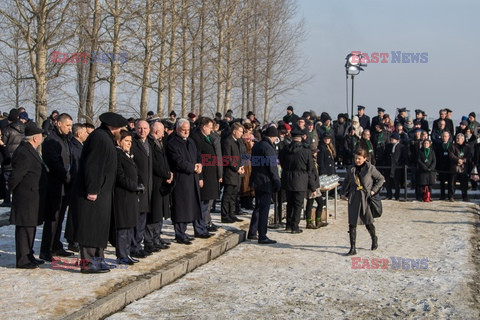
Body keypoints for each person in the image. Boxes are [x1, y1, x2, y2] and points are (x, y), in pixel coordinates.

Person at [71, 112, 128, 274]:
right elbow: (93, 166)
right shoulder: (99, 138)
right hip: (94, 192)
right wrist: (92, 189)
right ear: (113, 127)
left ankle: (98, 260)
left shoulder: (104, 138)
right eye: (120, 127)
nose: (121, 130)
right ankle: (88, 264)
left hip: (102, 192)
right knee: (90, 228)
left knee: (98, 229)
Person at [9, 124, 48, 268]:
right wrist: (13, 190)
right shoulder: (24, 152)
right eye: (41, 136)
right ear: (36, 138)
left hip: (32, 196)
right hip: (26, 196)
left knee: (30, 228)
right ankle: (23, 259)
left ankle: (29, 255)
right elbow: (16, 175)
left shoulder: (30, 149)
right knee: (25, 229)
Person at [40, 113, 74, 262]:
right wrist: (66, 176)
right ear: (59, 124)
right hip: (55, 185)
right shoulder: (51, 140)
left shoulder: (66, 140)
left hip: (65, 186)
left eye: (71, 126)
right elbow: (54, 163)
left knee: (60, 219)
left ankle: (56, 245)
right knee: (52, 219)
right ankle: (46, 249)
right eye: (67, 126)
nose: (69, 129)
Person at [166, 119, 205, 244]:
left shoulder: (191, 141)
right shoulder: (173, 143)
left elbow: (198, 155)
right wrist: (193, 167)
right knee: (181, 207)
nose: (186, 132)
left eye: (188, 130)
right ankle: (180, 233)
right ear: (177, 130)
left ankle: (184, 232)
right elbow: (177, 161)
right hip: (181, 179)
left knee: (189, 206)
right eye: (183, 130)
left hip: (192, 178)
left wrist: (199, 165)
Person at [342, 148, 385, 256]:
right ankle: (353, 248)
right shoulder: (351, 169)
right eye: (356, 158)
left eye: (359, 159)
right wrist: (343, 193)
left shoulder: (370, 168)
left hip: (366, 198)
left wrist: (373, 191)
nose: (357, 161)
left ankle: (374, 238)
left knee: (368, 222)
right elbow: (346, 181)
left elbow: (381, 179)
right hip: (354, 197)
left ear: (365, 158)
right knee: (352, 223)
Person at [279, 128, 317, 233]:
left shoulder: (284, 150)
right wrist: (313, 186)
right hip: (301, 180)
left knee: (290, 203)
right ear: (301, 138)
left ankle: (288, 225)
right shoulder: (306, 151)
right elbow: (310, 169)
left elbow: (282, 163)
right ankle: (295, 226)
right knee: (298, 204)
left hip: (287, 178)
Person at [247, 126, 281, 244]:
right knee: (264, 209)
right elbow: (272, 167)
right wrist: (277, 181)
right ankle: (262, 235)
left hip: (257, 179)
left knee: (258, 207)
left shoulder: (257, 145)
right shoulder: (268, 148)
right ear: (273, 136)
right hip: (265, 181)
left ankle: (252, 231)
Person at [114, 130, 142, 265]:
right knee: (123, 227)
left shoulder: (128, 155)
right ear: (119, 142)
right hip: (123, 195)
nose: (129, 144)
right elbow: (120, 176)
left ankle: (127, 253)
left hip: (131, 195)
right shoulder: (117, 155)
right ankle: (121, 255)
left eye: (130, 142)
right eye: (126, 141)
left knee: (130, 226)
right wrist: (134, 186)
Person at [190, 117, 220, 236]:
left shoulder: (207, 137)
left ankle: (203, 227)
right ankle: (199, 228)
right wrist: (200, 177)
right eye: (210, 127)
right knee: (201, 204)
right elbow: (198, 159)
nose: (211, 130)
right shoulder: (197, 138)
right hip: (204, 175)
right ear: (203, 127)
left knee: (206, 204)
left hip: (210, 175)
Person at [130, 120, 154, 257]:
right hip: (137, 186)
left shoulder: (149, 143)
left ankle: (138, 244)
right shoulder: (132, 143)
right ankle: (134, 246)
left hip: (148, 186)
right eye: (140, 128)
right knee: (136, 218)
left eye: (145, 128)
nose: (142, 131)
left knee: (143, 218)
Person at [147, 121, 173, 250]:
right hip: (155, 181)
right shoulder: (150, 143)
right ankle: (150, 240)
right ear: (157, 131)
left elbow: (164, 160)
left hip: (163, 181)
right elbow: (154, 164)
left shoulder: (160, 142)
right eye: (163, 131)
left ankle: (157, 237)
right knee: (154, 212)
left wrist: (169, 174)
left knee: (160, 212)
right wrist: (166, 174)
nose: (164, 133)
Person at [220, 122, 245, 223]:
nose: (241, 134)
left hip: (238, 172)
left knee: (234, 195)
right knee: (227, 195)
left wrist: (243, 166)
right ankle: (225, 215)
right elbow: (226, 158)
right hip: (230, 172)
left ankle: (232, 213)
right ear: (234, 131)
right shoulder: (227, 141)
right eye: (240, 131)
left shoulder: (239, 142)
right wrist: (236, 168)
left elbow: (242, 154)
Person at [449, 133, 472, 202]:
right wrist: (458, 160)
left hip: (463, 167)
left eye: (459, 139)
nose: (457, 140)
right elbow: (451, 155)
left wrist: (463, 160)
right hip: (455, 167)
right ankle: (451, 196)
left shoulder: (467, 147)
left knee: (464, 183)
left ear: (463, 139)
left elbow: (469, 156)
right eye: (456, 138)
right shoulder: (452, 146)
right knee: (452, 183)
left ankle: (464, 196)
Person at [384, 132, 407, 200]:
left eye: (393, 139)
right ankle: (389, 194)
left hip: (397, 167)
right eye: (391, 138)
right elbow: (385, 155)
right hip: (389, 166)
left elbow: (404, 157)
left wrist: (401, 164)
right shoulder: (388, 146)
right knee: (388, 182)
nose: (392, 140)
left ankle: (397, 195)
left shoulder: (401, 147)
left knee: (397, 182)